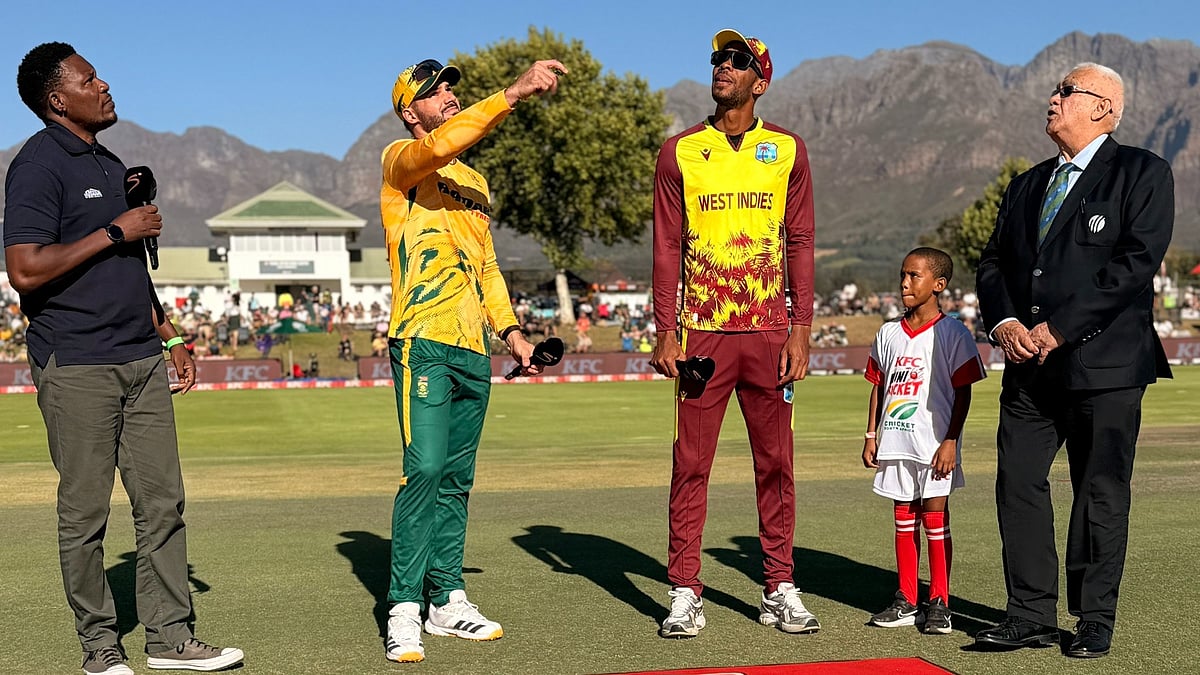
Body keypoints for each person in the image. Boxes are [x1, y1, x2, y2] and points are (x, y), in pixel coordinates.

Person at [3, 43, 243, 674]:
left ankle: (169, 640)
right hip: (77, 363)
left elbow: (127, 268)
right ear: (58, 99)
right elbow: (24, 270)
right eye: (89, 79)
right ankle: (100, 648)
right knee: (84, 513)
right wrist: (116, 229)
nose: (104, 84)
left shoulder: (109, 163)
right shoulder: (36, 165)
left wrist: (170, 334)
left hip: (141, 358)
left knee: (163, 503)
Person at [974, 63, 1174, 658]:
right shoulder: (1026, 183)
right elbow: (992, 265)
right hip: (1029, 368)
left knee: (1100, 491)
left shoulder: (1142, 173)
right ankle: (1029, 613)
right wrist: (1007, 322)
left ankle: (1093, 618)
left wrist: (1058, 329)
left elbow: (1134, 265)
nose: (1052, 98)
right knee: (1017, 482)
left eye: (1066, 91)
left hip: (1106, 367)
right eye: (1057, 89)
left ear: (1104, 110)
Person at [379, 55, 566, 664]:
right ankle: (403, 608)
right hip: (420, 339)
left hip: (470, 349)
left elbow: (485, 267)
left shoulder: (477, 184)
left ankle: (447, 598)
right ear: (412, 111)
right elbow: (441, 147)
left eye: (452, 88)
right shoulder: (400, 163)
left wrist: (512, 336)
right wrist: (511, 93)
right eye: (436, 92)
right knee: (425, 470)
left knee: (457, 480)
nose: (449, 95)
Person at [649, 28, 816, 638]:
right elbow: (667, 246)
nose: (722, 67)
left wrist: (801, 330)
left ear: (759, 81)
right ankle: (685, 590)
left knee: (776, 464)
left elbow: (800, 241)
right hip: (703, 335)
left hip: (770, 332)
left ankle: (779, 586)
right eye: (718, 59)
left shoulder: (788, 150)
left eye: (737, 61)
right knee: (691, 463)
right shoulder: (680, 152)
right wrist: (666, 329)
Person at [861, 248, 985, 635]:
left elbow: (963, 392)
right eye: (903, 275)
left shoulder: (952, 333)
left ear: (939, 284)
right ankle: (906, 599)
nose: (904, 283)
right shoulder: (888, 332)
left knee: (935, 519)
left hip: (934, 445)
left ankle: (941, 602)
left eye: (914, 276)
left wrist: (951, 441)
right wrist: (871, 434)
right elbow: (878, 387)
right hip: (896, 442)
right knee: (902, 518)